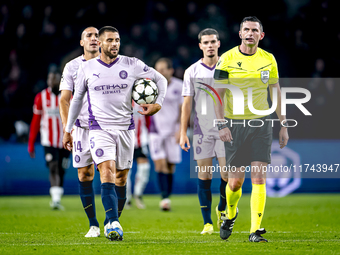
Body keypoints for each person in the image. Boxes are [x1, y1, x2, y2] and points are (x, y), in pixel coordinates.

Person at [62, 26, 167, 241]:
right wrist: (67, 129)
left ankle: (112, 219)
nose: (115, 44)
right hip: (98, 129)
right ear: (100, 43)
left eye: (117, 40)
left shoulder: (133, 64)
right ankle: (112, 222)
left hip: (126, 129)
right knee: (106, 172)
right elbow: (76, 100)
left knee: (121, 178)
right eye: (110, 40)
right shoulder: (86, 68)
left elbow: (161, 80)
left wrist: (158, 104)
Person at [213, 16, 289, 242]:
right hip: (234, 125)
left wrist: (283, 125)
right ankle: (230, 214)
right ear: (240, 34)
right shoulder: (226, 59)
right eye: (246, 29)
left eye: (254, 30)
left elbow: (275, 91)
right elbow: (218, 95)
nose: (250, 33)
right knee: (235, 182)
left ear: (261, 35)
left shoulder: (268, 59)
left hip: (261, 124)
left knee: (259, 177)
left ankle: (255, 230)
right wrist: (221, 124)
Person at [180, 28, 228, 235]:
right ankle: (207, 222)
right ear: (200, 46)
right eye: (205, 42)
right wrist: (183, 132)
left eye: (213, 42)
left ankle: (222, 209)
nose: (209, 45)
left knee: (227, 175)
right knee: (205, 175)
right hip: (202, 130)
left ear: (218, 44)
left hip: (227, 129)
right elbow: (187, 105)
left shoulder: (229, 67)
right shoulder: (192, 71)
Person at [59, 27, 101, 238]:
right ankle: (93, 224)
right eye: (89, 36)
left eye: (97, 36)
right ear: (82, 42)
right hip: (82, 129)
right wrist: (68, 129)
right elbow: (64, 100)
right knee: (85, 174)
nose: (94, 39)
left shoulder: (112, 64)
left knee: (115, 175)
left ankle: (113, 220)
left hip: (107, 127)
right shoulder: (72, 67)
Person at [28, 68, 70, 210]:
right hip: (49, 140)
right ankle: (56, 199)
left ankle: (57, 196)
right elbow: (35, 121)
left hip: (65, 140)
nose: (52, 81)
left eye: (55, 78)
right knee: (53, 166)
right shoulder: (41, 97)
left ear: (60, 80)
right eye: (50, 78)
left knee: (62, 169)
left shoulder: (68, 96)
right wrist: (31, 143)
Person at [149, 58, 183, 211]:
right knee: (160, 163)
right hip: (156, 131)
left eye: (163, 69)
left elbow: (184, 110)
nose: (159, 72)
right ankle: (164, 198)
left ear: (171, 71)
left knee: (170, 166)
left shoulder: (179, 86)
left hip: (173, 131)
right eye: (157, 69)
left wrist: (181, 130)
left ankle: (167, 196)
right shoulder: (150, 87)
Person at [125, 101, 151, 209]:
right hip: (125, 140)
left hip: (141, 140)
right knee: (125, 170)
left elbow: (149, 119)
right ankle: (126, 198)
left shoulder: (143, 100)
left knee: (144, 168)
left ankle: (138, 194)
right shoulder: (122, 98)